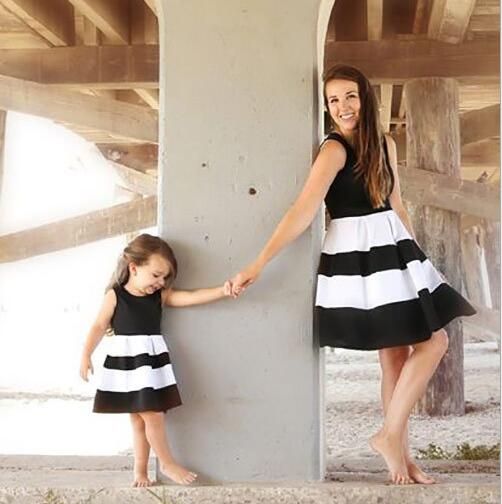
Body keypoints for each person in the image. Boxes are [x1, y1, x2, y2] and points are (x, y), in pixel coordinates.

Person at [230, 64, 475, 485]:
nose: (342, 106)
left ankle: (398, 454)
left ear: (365, 98)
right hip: (358, 256)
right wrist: (258, 262)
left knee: (399, 356)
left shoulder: (384, 143)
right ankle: (390, 437)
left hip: (393, 248)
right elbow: (303, 210)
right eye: (333, 100)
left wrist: (417, 256)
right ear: (326, 107)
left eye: (350, 96)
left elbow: (395, 203)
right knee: (433, 341)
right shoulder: (334, 150)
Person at [80, 233, 233, 487]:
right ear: (133, 267)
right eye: (156, 275)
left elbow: (190, 297)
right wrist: (86, 354)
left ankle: (140, 473)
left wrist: (222, 291)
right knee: (151, 416)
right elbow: (98, 325)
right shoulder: (116, 296)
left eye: (165, 278)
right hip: (128, 365)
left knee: (142, 419)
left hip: (150, 364)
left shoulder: (157, 297)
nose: (161, 282)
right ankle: (166, 462)